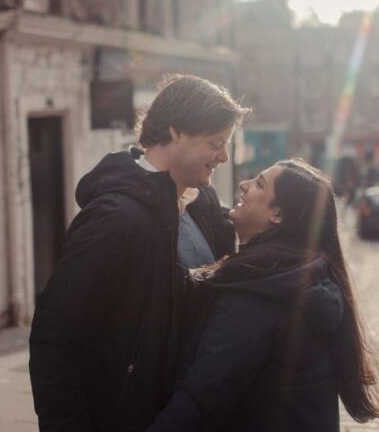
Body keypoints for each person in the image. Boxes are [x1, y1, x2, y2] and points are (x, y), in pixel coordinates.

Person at [29, 74, 248, 432]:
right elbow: (56, 338)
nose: (223, 157)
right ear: (176, 132)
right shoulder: (114, 218)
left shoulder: (204, 202)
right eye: (215, 143)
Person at [148, 159, 379, 432]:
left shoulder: (259, 294)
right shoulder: (299, 274)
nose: (243, 185)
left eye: (259, 184)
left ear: (278, 215)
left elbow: (203, 396)